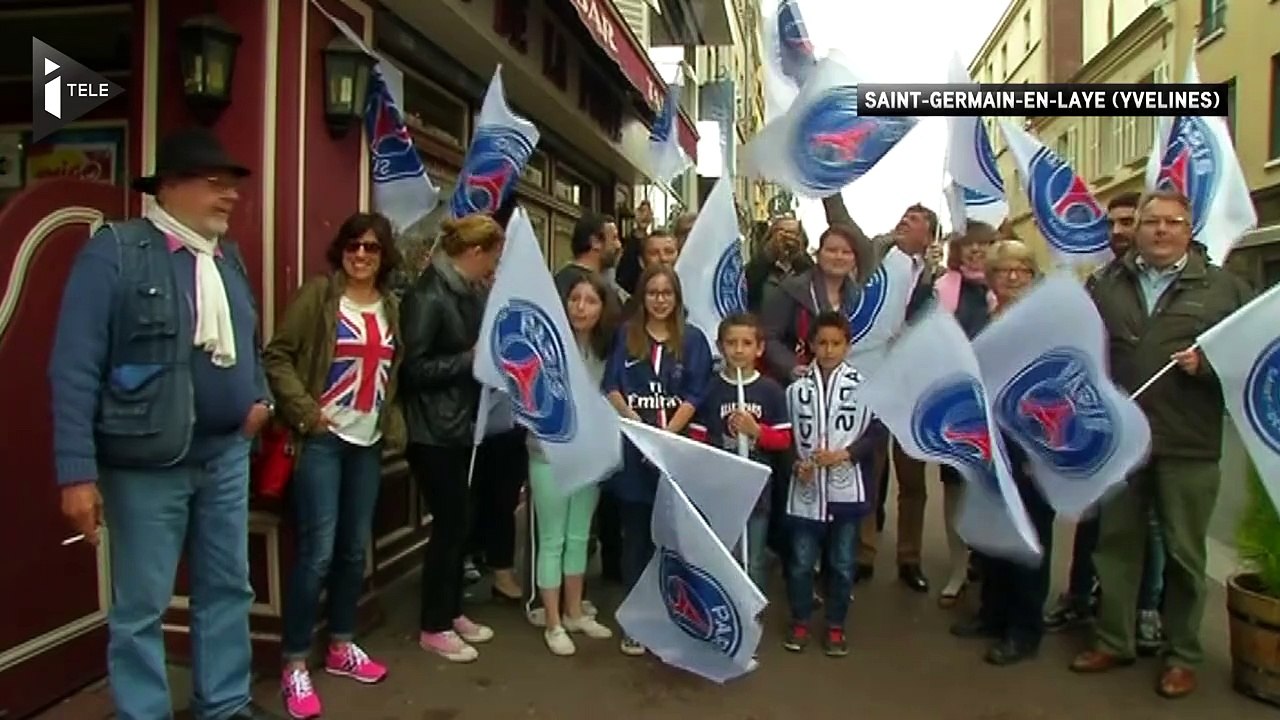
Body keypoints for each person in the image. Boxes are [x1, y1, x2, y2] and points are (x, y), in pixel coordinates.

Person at [49, 128, 278, 719]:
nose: (229, 196)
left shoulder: (227, 259)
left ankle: (224, 705)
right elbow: (75, 364)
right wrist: (76, 474)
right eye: (215, 184)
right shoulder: (117, 251)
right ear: (171, 187)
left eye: (232, 185)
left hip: (225, 455)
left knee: (228, 589)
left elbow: (247, 340)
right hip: (146, 464)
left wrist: (259, 399)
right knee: (142, 606)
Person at [1070, 189, 1253, 698]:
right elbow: (1082, 352)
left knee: (1185, 557)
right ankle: (1114, 639)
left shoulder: (1223, 290)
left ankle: (1182, 655)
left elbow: (1253, 359)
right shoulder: (1106, 284)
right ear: (1139, 229)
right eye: (1152, 222)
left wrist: (1209, 365)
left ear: (1188, 229)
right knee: (1116, 548)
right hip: (1123, 443)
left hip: (1188, 443)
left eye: (1173, 222)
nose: (1161, 230)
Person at [263, 213, 405, 716]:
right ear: (341, 250)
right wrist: (306, 412)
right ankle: (295, 663)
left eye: (371, 247)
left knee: (351, 551)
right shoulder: (320, 297)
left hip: (366, 445)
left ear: (385, 256)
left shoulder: (390, 305)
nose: (362, 255)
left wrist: (393, 426)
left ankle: (342, 644)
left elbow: (392, 372)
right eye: (353, 246)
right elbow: (276, 356)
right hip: (322, 443)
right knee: (318, 553)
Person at [1047, 191, 1169, 653]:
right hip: (1103, 422)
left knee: (1151, 523)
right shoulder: (1103, 283)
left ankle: (1147, 610)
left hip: (1161, 425)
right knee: (1095, 515)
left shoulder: (1179, 283)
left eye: (1126, 222)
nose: (1117, 231)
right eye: (1112, 224)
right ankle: (1081, 596)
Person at [399, 213, 505, 663]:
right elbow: (413, 369)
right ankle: (434, 624)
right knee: (449, 525)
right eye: (492, 259)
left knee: (460, 524)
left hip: (462, 426)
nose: (493, 268)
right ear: (475, 253)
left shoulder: (468, 291)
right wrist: (470, 359)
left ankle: (452, 610)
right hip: (433, 431)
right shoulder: (428, 295)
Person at [947, 240, 1056, 666]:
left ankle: (1023, 629)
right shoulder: (988, 319)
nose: (1012, 277)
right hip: (990, 443)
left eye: (1022, 270)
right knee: (991, 534)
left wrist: (1039, 448)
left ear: (1032, 276)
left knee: (1028, 538)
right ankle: (992, 614)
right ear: (990, 278)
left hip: (1031, 443)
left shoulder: (1046, 324)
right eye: (1003, 271)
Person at [823, 195, 938, 591]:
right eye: (905, 214)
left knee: (913, 480)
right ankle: (864, 554)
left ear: (931, 235)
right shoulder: (876, 257)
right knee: (868, 471)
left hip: (911, 391)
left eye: (918, 218)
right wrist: (829, 181)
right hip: (871, 384)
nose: (907, 219)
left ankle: (910, 558)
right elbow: (841, 220)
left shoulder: (938, 278)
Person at [603, 265, 712, 656]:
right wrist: (636, 426)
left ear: (677, 298)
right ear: (642, 296)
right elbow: (611, 386)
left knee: (673, 539)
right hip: (635, 453)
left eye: (667, 293)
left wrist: (667, 435)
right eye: (652, 293)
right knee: (635, 539)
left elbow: (697, 393)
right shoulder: (626, 336)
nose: (660, 300)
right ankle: (636, 620)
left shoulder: (694, 340)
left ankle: (674, 613)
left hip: (675, 454)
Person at [781, 311, 885, 657]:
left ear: (847, 346)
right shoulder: (796, 390)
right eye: (822, 343)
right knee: (800, 562)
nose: (828, 350)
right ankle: (800, 619)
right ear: (811, 345)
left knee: (842, 563)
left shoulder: (863, 386)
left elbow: (876, 431)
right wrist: (797, 463)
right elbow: (787, 435)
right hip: (807, 490)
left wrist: (847, 454)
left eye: (835, 343)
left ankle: (836, 624)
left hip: (846, 488)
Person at [532, 273, 619, 655]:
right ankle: (552, 622)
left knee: (579, 536)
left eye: (591, 301)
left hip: (591, 454)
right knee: (552, 538)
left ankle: (573, 611)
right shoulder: (545, 347)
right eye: (575, 299)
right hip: (548, 453)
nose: (581, 308)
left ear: (603, 309)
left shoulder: (606, 352)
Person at [688, 313, 791, 589]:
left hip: (757, 492)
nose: (739, 349)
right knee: (725, 555)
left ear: (759, 348)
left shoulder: (770, 390)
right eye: (731, 343)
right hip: (722, 491)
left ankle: (751, 616)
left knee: (754, 558)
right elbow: (699, 438)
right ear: (720, 347)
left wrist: (756, 431)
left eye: (746, 343)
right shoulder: (712, 389)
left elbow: (783, 439)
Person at [932, 222, 997, 607]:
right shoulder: (944, 291)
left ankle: (988, 566)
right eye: (969, 245)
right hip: (957, 406)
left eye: (985, 244)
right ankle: (958, 568)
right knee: (956, 490)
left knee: (991, 490)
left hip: (998, 408)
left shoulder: (1007, 287)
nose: (976, 251)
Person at [745, 216, 814, 314]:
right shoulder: (759, 265)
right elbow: (749, 285)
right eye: (781, 231)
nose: (788, 236)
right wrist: (769, 254)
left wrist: (798, 256)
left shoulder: (806, 267)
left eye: (793, 233)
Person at [616, 199, 652, 293]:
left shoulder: (651, 242)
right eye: (642, 212)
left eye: (648, 213)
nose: (645, 216)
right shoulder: (627, 241)